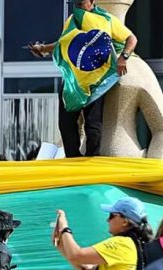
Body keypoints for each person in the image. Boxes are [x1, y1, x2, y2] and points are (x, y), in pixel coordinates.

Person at [30, 0, 137, 157]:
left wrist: (124, 57)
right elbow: (65, 43)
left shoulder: (107, 20)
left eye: (81, 4)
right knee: (66, 123)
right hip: (73, 80)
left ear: (92, 1)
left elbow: (132, 39)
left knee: (93, 125)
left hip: (95, 80)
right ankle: (73, 158)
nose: (79, 8)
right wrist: (43, 49)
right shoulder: (71, 21)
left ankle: (92, 160)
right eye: (77, 5)